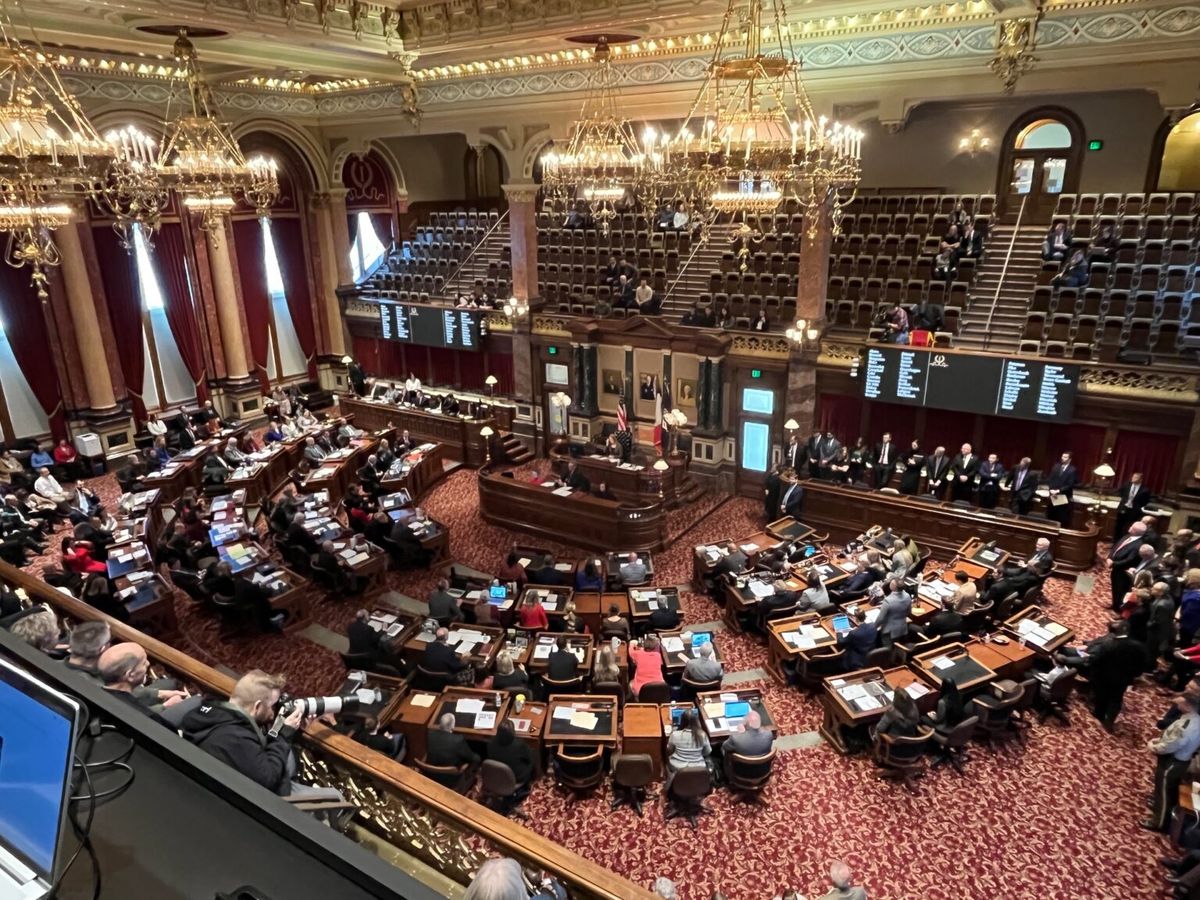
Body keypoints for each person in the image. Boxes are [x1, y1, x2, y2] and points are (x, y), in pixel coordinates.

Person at [181, 670, 341, 801]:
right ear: (257, 706)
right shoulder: (236, 738)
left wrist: (291, 731)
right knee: (336, 797)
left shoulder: (211, 712)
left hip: (231, 770)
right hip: (263, 798)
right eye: (273, 706)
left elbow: (254, 748)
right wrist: (284, 735)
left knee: (289, 757)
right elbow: (269, 778)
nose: (273, 711)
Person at [1144, 691, 1200, 832]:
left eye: (1182, 701)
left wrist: (1154, 747)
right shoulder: (1195, 720)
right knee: (1168, 790)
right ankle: (1162, 813)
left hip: (1173, 761)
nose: (1178, 702)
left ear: (1188, 706)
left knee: (1163, 792)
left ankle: (1159, 822)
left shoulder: (1186, 726)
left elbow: (1172, 745)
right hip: (1180, 760)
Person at [1088, 621, 1148, 732]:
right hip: (1123, 679)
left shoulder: (1108, 644)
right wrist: (1133, 676)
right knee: (1116, 699)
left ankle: (1099, 714)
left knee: (1102, 695)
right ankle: (1109, 721)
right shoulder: (1139, 646)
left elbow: (1097, 661)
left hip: (1104, 676)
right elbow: (1141, 665)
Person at [486, 719, 536, 794]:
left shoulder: (490, 742)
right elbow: (530, 758)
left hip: (498, 775)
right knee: (533, 758)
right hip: (517, 777)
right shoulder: (519, 745)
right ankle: (530, 781)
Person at [1108, 522, 1148, 611]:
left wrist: (1113, 563)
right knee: (1115, 587)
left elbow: (1129, 560)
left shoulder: (1138, 545)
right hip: (1116, 568)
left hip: (1123, 571)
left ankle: (1119, 608)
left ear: (1136, 531)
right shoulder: (1126, 536)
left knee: (1120, 589)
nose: (1130, 527)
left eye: (1132, 527)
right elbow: (1115, 547)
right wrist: (1110, 557)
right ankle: (1114, 605)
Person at [426, 712, 480, 777]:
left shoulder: (429, 734)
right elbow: (474, 758)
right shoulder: (458, 740)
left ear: (440, 724)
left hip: (430, 774)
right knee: (477, 758)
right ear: (452, 726)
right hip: (451, 778)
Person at [665, 708, 710, 782]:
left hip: (677, 767)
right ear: (696, 721)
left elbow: (669, 750)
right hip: (698, 767)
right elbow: (707, 752)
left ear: (682, 721)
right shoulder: (702, 734)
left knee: (666, 762)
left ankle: (672, 781)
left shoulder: (675, 734)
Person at [875, 579, 912, 651]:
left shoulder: (888, 600)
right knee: (898, 648)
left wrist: (874, 627)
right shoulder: (907, 596)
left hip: (889, 631)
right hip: (902, 628)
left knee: (887, 651)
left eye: (891, 583)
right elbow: (909, 612)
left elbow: (880, 618)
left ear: (894, 587)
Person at [1113, 472, 1151, 541]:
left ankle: (1125, 541)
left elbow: (1145, 501)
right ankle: (1115, 541)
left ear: (1140, 480)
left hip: (1134, 511)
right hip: (1123, 508)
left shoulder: (1145, 490)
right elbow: (1120, 492)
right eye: (1133, 477)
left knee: (1129, 527)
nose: (1133, 479)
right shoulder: (1127, 485)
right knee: (1118, 526)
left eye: (1136, 477)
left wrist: (1137, 506)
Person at [1045, 451, 1078, 527]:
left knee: (1060, 517)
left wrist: (1058, 490)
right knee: (1050, 515)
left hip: (1063, 495)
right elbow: (1050, 479)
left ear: (1070, 459)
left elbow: (1070, 484)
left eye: (1065, 457)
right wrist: (1051, 489)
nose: (1062, 458)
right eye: (1062, 456)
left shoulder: (1072, 470)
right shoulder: (1056, 466)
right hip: (1053, 494)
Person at [629, 634, 665, 698]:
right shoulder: (658, 656)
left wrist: (632, 644)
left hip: (640, 690)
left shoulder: (638, 654)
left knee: (630, 684)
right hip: (659, 688)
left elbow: (631, 652)